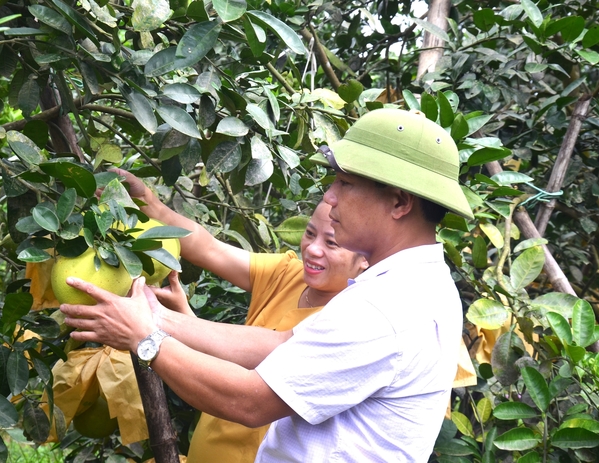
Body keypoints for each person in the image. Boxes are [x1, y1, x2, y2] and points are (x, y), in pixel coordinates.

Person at [60, 107, 475, 461]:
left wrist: (145, 339)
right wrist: (155, 317)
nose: (330, 199)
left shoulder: (385, 309)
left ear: (400, 202)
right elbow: (282, 346)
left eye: (345, 184)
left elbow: (250, 400)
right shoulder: (418, 282)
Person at [110, 168, 369, 462]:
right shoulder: (285, 273)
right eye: (310, 234)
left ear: (364, 259)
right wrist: (149, 204)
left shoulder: (350, 320)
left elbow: (251, 393)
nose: (313, 249)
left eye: (332, 243)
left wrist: (155, 323)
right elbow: (209, 250)